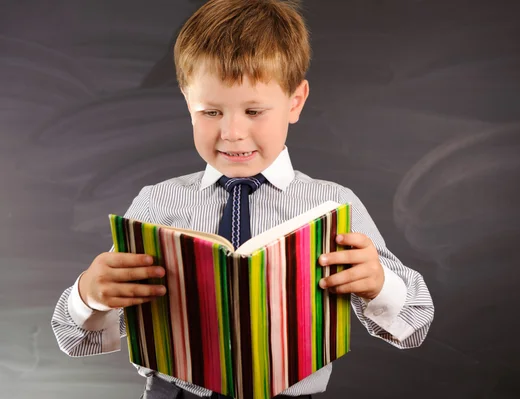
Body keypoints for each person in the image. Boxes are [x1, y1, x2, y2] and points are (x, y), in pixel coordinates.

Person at [51, 1, 434, 398]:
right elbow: (76, 340)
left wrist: (379, 284)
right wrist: (89, 296)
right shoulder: (157, 203)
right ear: (187, 102)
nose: (232, 132)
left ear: (295, 102)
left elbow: (414, 326)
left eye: (254, 110)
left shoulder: (334, 206)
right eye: (210, 111)